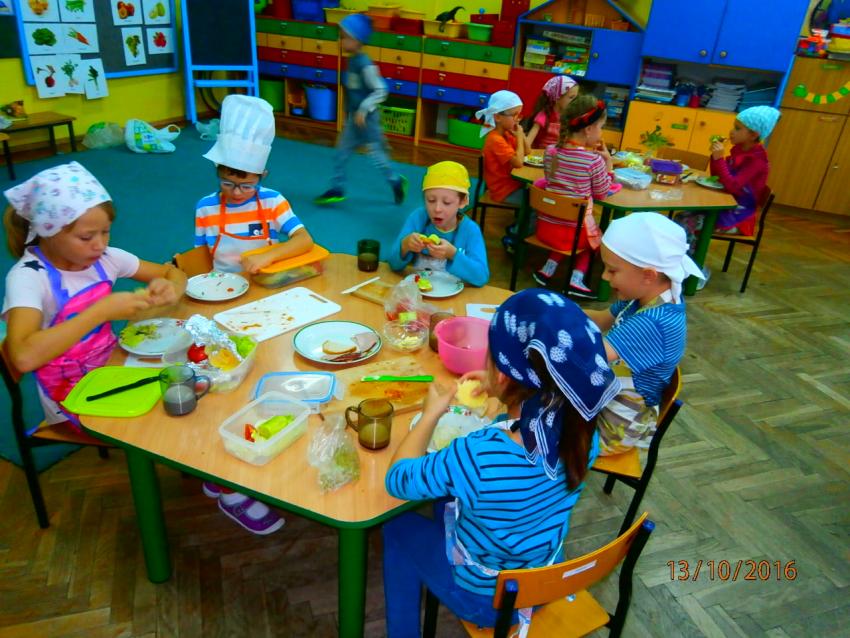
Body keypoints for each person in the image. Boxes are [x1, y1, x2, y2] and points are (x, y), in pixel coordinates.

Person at [382, 288, 620, 636]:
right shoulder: (584, 432)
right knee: (449, 497)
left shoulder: (478, 454)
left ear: (505, 376)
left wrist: (431, 413)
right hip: (541, 579)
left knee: (396, 527)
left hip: (488, 600)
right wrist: (500, 389)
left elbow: (398, 479)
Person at [2, 161, 186, 432]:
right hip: (69, 395)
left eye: (106, 232)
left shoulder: (106, 258)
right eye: (86, 237)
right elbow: (23, 356)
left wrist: (171, 288)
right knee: (164, 422)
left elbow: (173, 273)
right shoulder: (28, 277)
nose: (100, 245)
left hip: (109, 367)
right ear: (48, 232)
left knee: (185, 383)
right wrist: (101, 311)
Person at [583, 213, 703, 456]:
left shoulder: (653, 323)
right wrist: (558, 309)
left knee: (532, 422)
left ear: (649, 275)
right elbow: (601, 318)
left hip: (612, 429)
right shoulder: (641, 298)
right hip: (603, 398)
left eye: (612, 270)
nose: (604, 277)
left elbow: (590, 357)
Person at [196, 94, 314, 274]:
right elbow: (201, 257)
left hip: (265, 280)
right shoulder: (205, 207)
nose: (237, 193)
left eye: (247, 186)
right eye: (227, 183)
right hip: (222, 282)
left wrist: (268, 256)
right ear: (217, 172)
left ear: (262, 176)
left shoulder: (272, 202)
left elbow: (304, 240)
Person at [674, 105, 779, 285]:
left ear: (753, 135)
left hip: (739, 218)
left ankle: (697, 270)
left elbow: (733, 186)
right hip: (725, 206)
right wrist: (715, 158)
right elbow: (719, 177)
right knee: (681, 217)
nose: (731, 132)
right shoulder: (740, 150)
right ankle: (681, 264)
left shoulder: (757, 160)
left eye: (737, 128)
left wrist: (719, 158)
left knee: (686, 223)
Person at [314, 13, 408, 206]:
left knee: (379, 159)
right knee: (341, 153)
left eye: (344, 37)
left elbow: (381, 90)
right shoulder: (352, 61)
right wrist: (351, 114)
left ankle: (396, 181)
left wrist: (364, 110)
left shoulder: (365, 64)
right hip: (354, 122)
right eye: (340, 36)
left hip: (369, 123)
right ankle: (337, 188)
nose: (340, 41)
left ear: (357, 40)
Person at [532, 95, 613, 294]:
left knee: (569, 222)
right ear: (588, 129)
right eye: (601, 127)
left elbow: (552, 181)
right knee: (593, 239)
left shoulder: (550, 151)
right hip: (573, 234)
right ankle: (577, 279)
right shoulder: (593, 160)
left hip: (545, 228)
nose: (601, 132)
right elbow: (602, 194)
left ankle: (548, 269)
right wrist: (608, 165)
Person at [388, 161, 489, 287]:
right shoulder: (418, 218)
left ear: (463, 202)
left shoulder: (470, 230)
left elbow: (481, 277)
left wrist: (453, 254)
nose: (437, 209)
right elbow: (393, 264)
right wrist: (405, 245)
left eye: (447, 202)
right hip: (419, 292)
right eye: (431, 200)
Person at [475, 90, 530, 254]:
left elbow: (527, 152)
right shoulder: (495, 140)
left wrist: (520, 135)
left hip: (512, 185)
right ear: (498, 117)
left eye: (519, 115)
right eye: (514, 115)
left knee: (535, 195)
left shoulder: (506, 134)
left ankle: (519, 228)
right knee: (535, 204)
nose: (518, 119)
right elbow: (519, 162)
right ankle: (514, 235)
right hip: (503, 190)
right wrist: (519, 137)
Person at [524, 75, 579, 149]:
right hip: (542, 153)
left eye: (575, 98)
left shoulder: (571, 116)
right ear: (557, 98)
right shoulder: (544, 115)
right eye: (571, 97)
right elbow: (529, 140)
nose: (575, 101)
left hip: (560, 153)